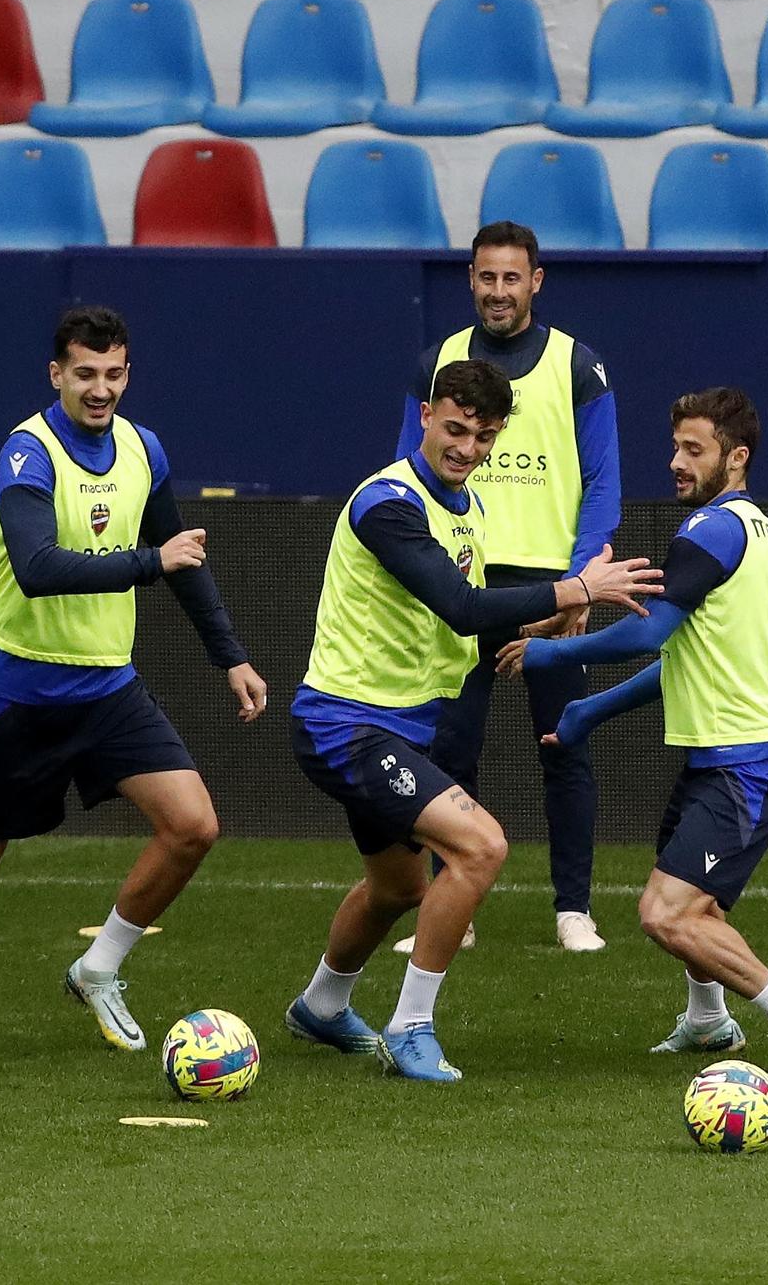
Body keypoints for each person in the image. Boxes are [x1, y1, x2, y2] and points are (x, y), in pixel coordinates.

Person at [289, 360, 660, 1082]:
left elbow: (465, 626)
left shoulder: (469, 509)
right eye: (455, 429)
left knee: (398, 887)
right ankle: (411, 1027)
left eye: (484, 436)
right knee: (483, 847)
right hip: (347, 724)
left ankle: (322, 1006)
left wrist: (555, 620)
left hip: (399, 727)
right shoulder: (386, 504)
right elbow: (458, 605)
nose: (467, 448)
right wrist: (579, 582)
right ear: (426, 416)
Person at [0, 305, 268, 1052]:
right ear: (57, 374)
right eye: (84, 374)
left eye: (113, 374)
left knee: (194, 825)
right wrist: (152, 561)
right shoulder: (28, 453)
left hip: (107, 690)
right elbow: (39, 569)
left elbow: (182, 555)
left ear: (128, 373)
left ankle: (98, 966)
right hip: (15, 693)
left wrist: (229, 654)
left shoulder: (145, 449)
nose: (99, 389)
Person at [495, 387, 768, 1077]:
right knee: (694, 902)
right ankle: (709, 1021)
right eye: (675, 447)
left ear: (735, 457)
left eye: (695, 450)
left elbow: (650, 630)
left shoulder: (708, 530)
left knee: (666, 913)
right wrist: (587, 712)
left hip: (746, 767)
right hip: (719, 761)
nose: (676, 463)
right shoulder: (751, 527)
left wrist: (552, 652)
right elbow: (676, 661)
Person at [396, 221, 622, 953]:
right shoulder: (438, 363)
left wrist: (582, 584)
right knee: (449, 748)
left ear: (536, 281)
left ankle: (574, 910)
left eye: (511, 278)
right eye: (486, 277)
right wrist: (422, 571)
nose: (498, 291)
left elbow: (603, 485)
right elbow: (407, 473)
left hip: (551, 590)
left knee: (565, 745)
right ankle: (451, 905)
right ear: (470, 279)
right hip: (459, 579)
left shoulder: (577, 366)